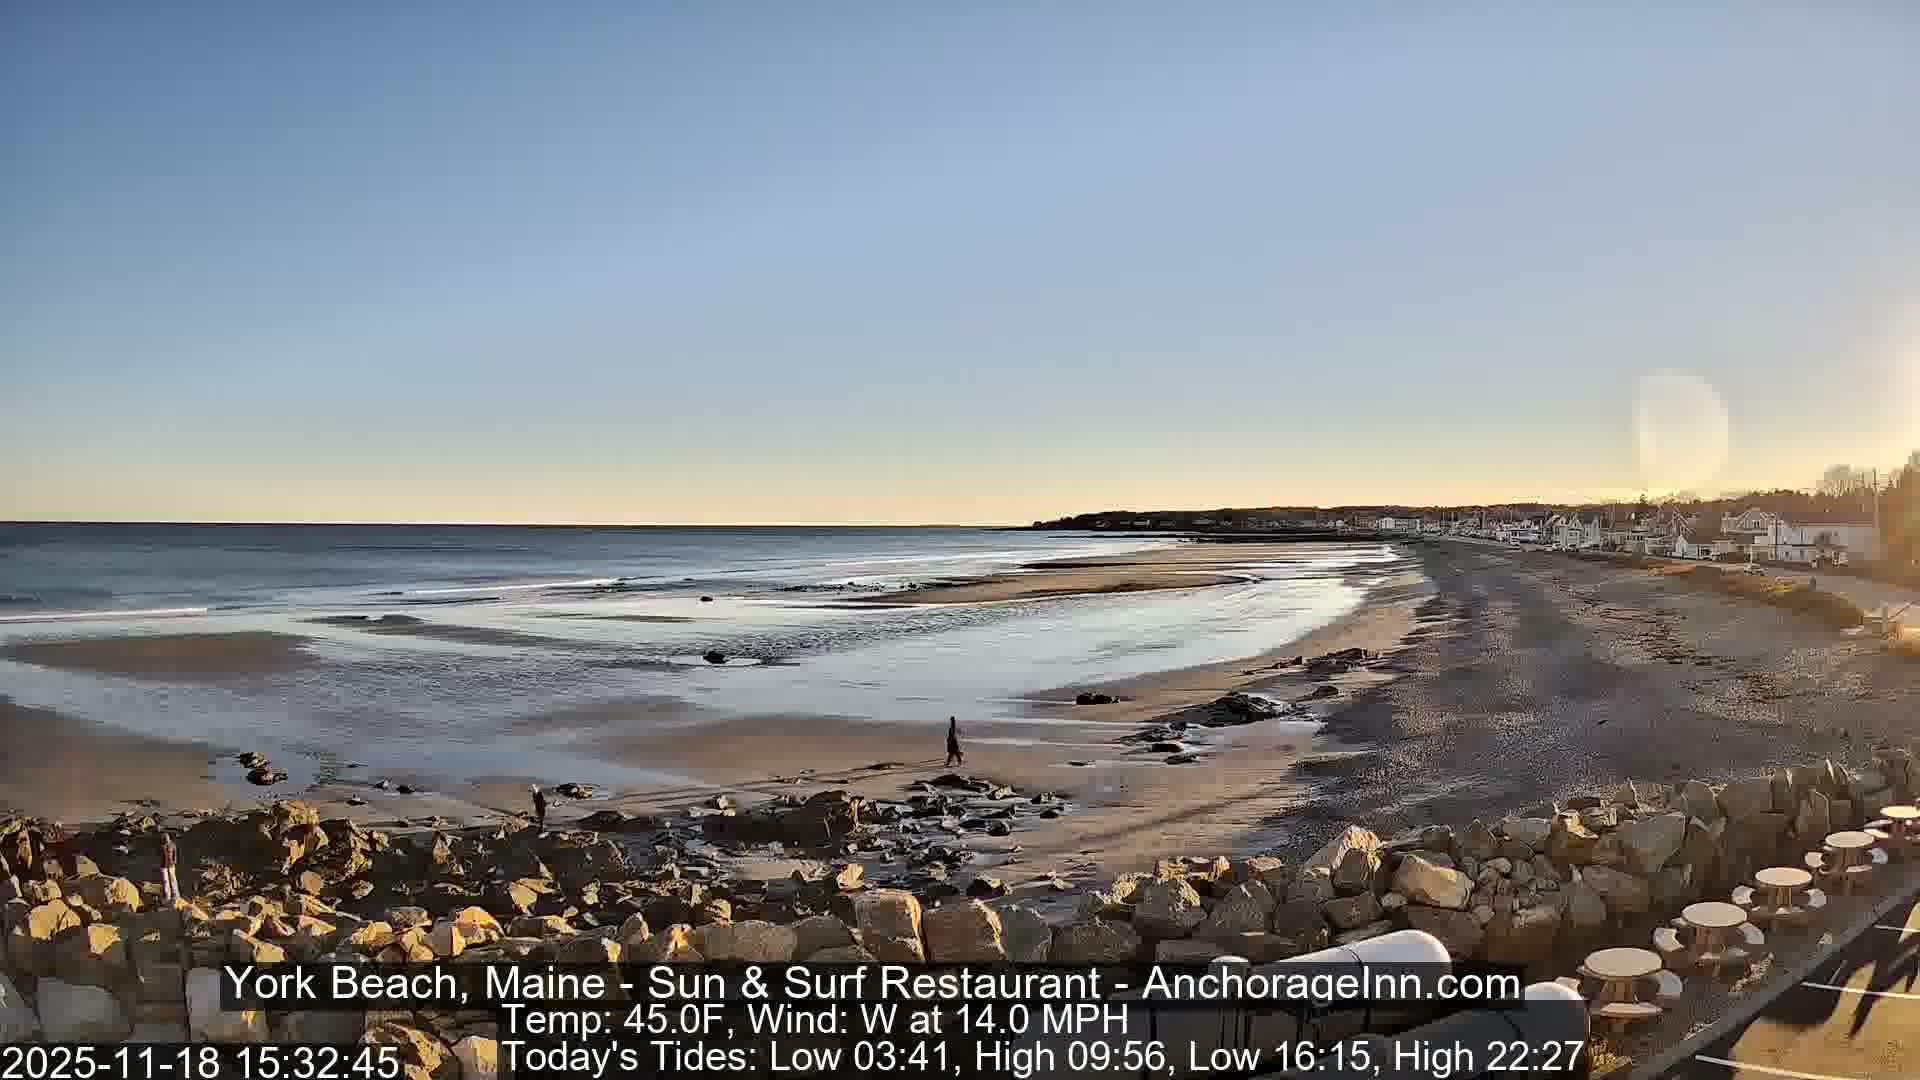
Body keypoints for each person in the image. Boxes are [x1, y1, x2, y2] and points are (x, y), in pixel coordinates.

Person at [159, 831, 180, 905]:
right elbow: (159, 855)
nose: (166, 840)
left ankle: (176, 894)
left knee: (173, 879)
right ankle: (168, 895)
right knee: (165, 881)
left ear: (169, 838)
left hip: (171, 865)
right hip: (163, 865)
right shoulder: (161, 846)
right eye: (164, 839)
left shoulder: (172, 845)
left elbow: (175, 853)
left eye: (166, 839)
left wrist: (175, 861)